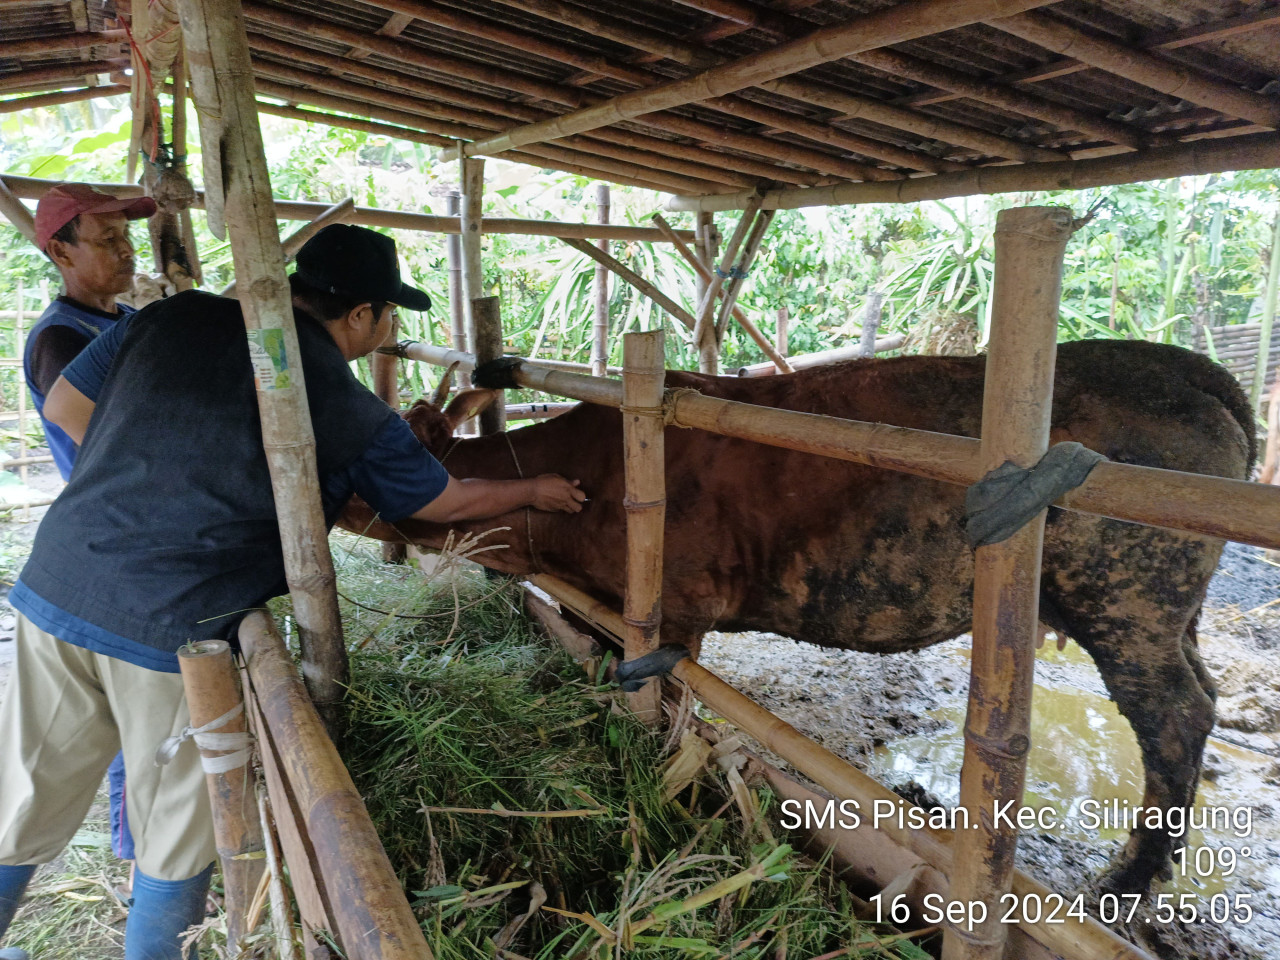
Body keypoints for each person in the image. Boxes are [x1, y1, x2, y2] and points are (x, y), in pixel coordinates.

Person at [0, 223, 586, 960]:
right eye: (389, 313)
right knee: (177, 838)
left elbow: (64, 411)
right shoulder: (348, 407)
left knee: (19, 799)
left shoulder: (171, 316)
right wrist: (535, 487)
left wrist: (150, 477)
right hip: (177, 629)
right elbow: (439, 504)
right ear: (363, 315)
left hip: (57, 584)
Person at [22, 183, 160, 890]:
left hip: (142, 535)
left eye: (125, 238)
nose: (125, 251)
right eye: (107, 241)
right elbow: (119, 441)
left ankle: (146, 852)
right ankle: (141, 858)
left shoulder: (128, 322)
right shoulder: (59, 341)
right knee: (121, 725)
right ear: (61, 252)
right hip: (116, 543)